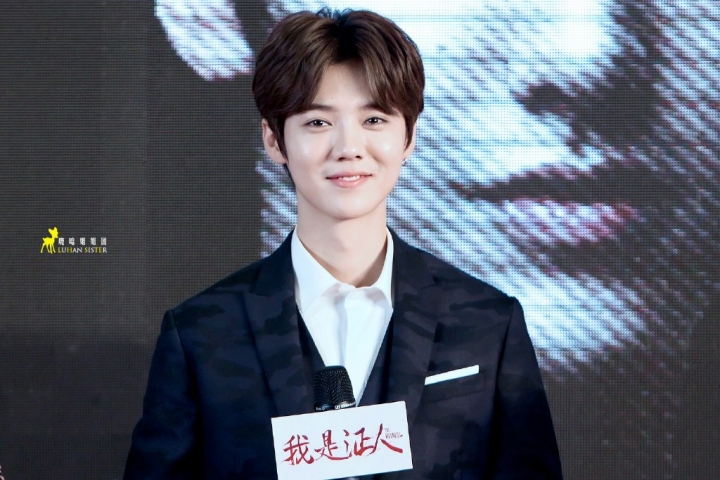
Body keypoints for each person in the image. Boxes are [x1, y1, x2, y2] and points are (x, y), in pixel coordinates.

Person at [126, 8, 562, 479]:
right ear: (274, 139)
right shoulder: (201, 334)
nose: (349, 147)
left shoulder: (488, 323)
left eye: (374, 119)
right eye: (318, 122)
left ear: (408, 137)